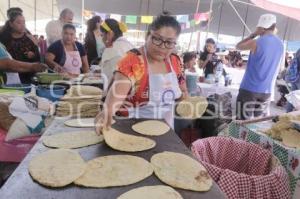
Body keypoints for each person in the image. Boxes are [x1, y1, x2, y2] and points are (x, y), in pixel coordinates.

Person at [95, 13, 188, 134]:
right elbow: (118, 92)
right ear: (147, 36)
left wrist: (184, 99)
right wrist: (107, 111)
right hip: (130, 130)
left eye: (169, 42)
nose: (162, 47)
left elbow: (183, 92)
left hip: (166, 132)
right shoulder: (133, 60)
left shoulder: (176, 62)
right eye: (157, 39)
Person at [236, 14, 283, 120]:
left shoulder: (255, 42)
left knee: (242, 122)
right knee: (258, 124)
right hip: (266, 92)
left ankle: (240, 137)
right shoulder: (280, 44)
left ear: (262, 28)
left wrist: (253, 34)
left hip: (249, 89)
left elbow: (238, 46)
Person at [0, 11, 40, 84]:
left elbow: (39, 60)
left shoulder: (30, 39)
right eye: (18, 23)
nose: (22, 25)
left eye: (24, 22)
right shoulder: (3, 39)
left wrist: (33, 55)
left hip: (28, 77)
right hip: (9, 78)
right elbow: (6, 62)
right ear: (11, 24)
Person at [99, 18, 134, 89]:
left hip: (116, 93)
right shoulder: (131, 46)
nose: (101, 39)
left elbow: (106, 80)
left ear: (109, 34)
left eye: (102, 35)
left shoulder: (110, 50)